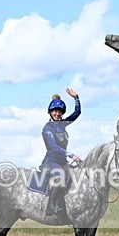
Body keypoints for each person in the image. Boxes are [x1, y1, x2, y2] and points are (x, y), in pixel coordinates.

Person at [40, 87, 81, 217]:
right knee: (61, 176)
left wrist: (76, 98)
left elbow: (77, 113)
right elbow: (53, 147)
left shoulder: (62, 124)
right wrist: (72, 155)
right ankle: (51, 206)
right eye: (55, 111)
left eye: (59, 111)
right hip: (50, 162)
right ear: (50, 112)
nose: (57, 114)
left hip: (63, 162)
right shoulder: (47, 128)